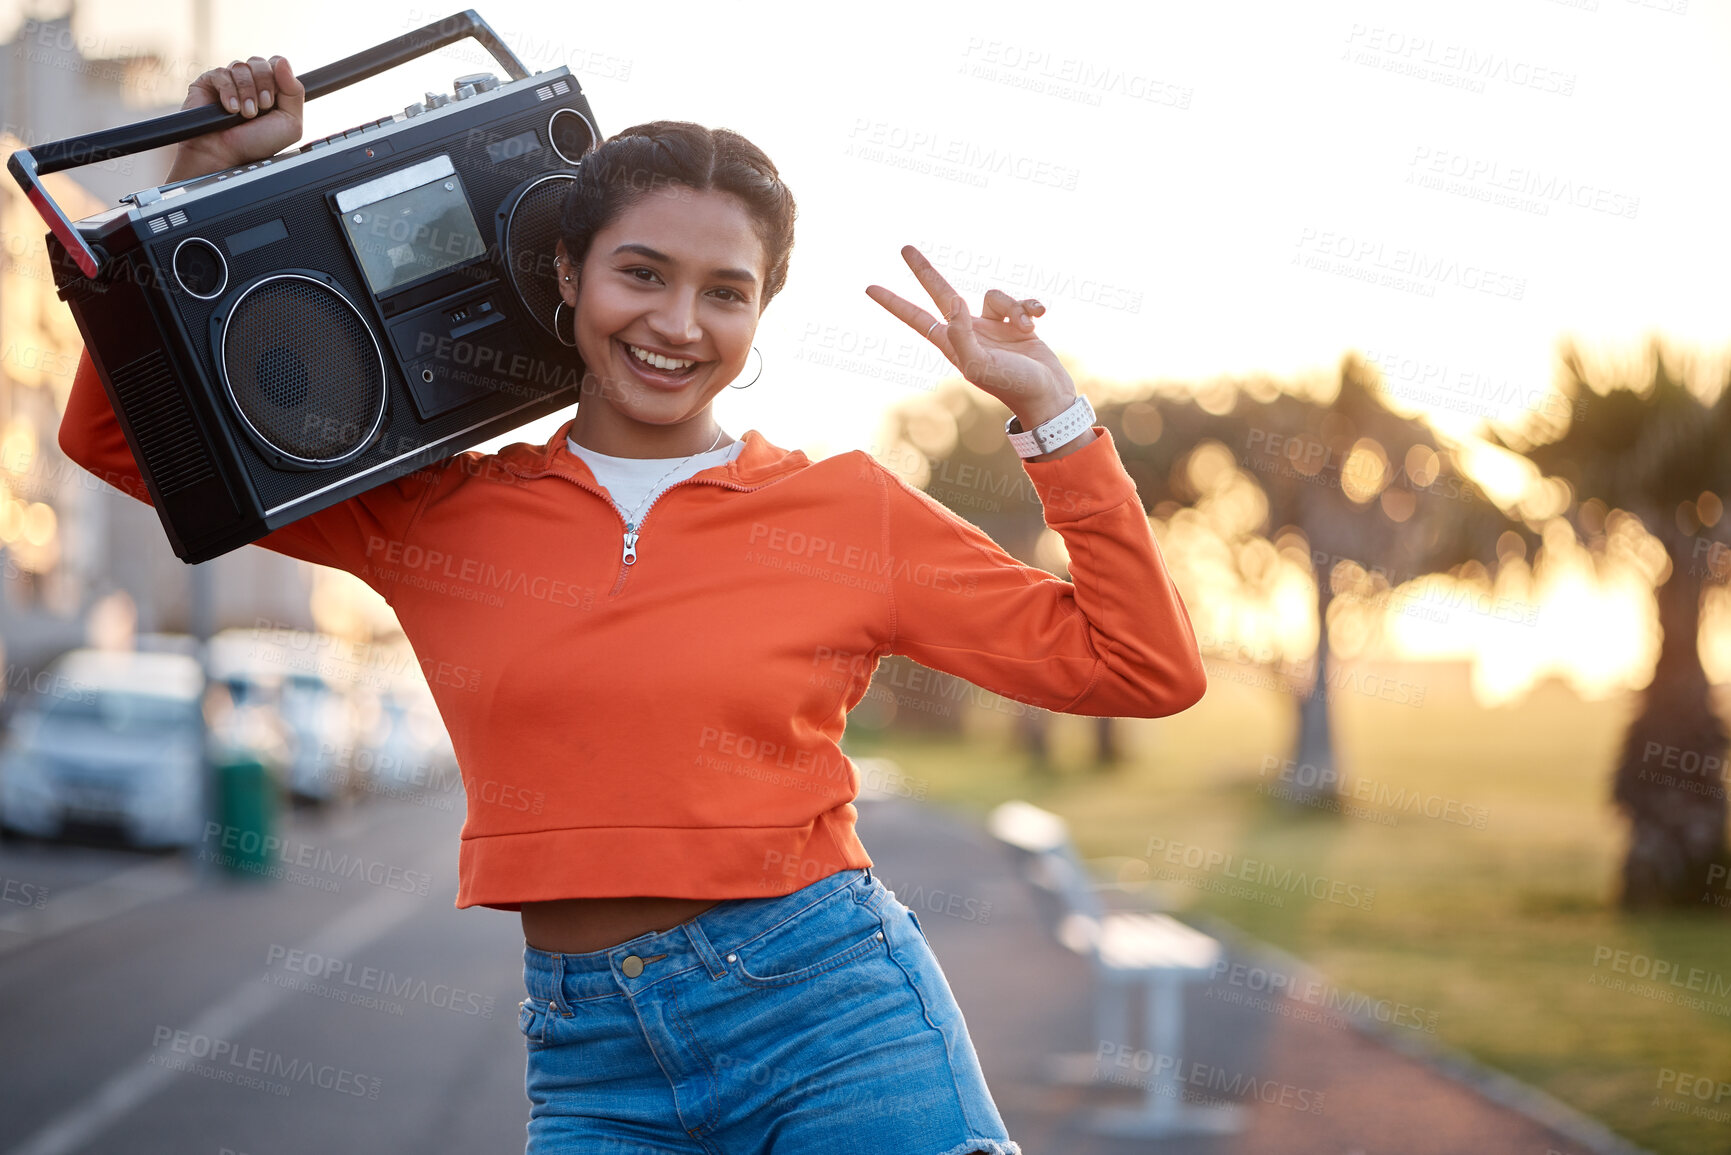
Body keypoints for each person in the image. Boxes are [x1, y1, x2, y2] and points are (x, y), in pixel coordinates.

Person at [58, 56, 1208, 1155]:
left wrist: (1053, 417)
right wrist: (200, 175)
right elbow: (113, 438)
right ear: (569, 276)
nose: (677, 325)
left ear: (761, 315)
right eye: (642, 273)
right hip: (592, 1056)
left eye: (726, 293)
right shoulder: (435, 516)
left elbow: (1140, 669)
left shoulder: (846, 512)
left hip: (831, 1012)